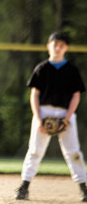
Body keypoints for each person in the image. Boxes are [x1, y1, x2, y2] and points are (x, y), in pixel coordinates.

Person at [15, 31, 87, 202]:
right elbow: (34, 95)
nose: (57, 47)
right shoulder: (42, 68)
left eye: (61, 45)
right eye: (54, 44)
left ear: (66, 48)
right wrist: (39, 118)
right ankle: (24, 187)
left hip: (65, 113)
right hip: (43, 111)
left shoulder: (71, 70)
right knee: (34, 151)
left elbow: (76, 95)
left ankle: (83, 188)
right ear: (48, 46)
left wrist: (67, 118)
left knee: (73, 152)